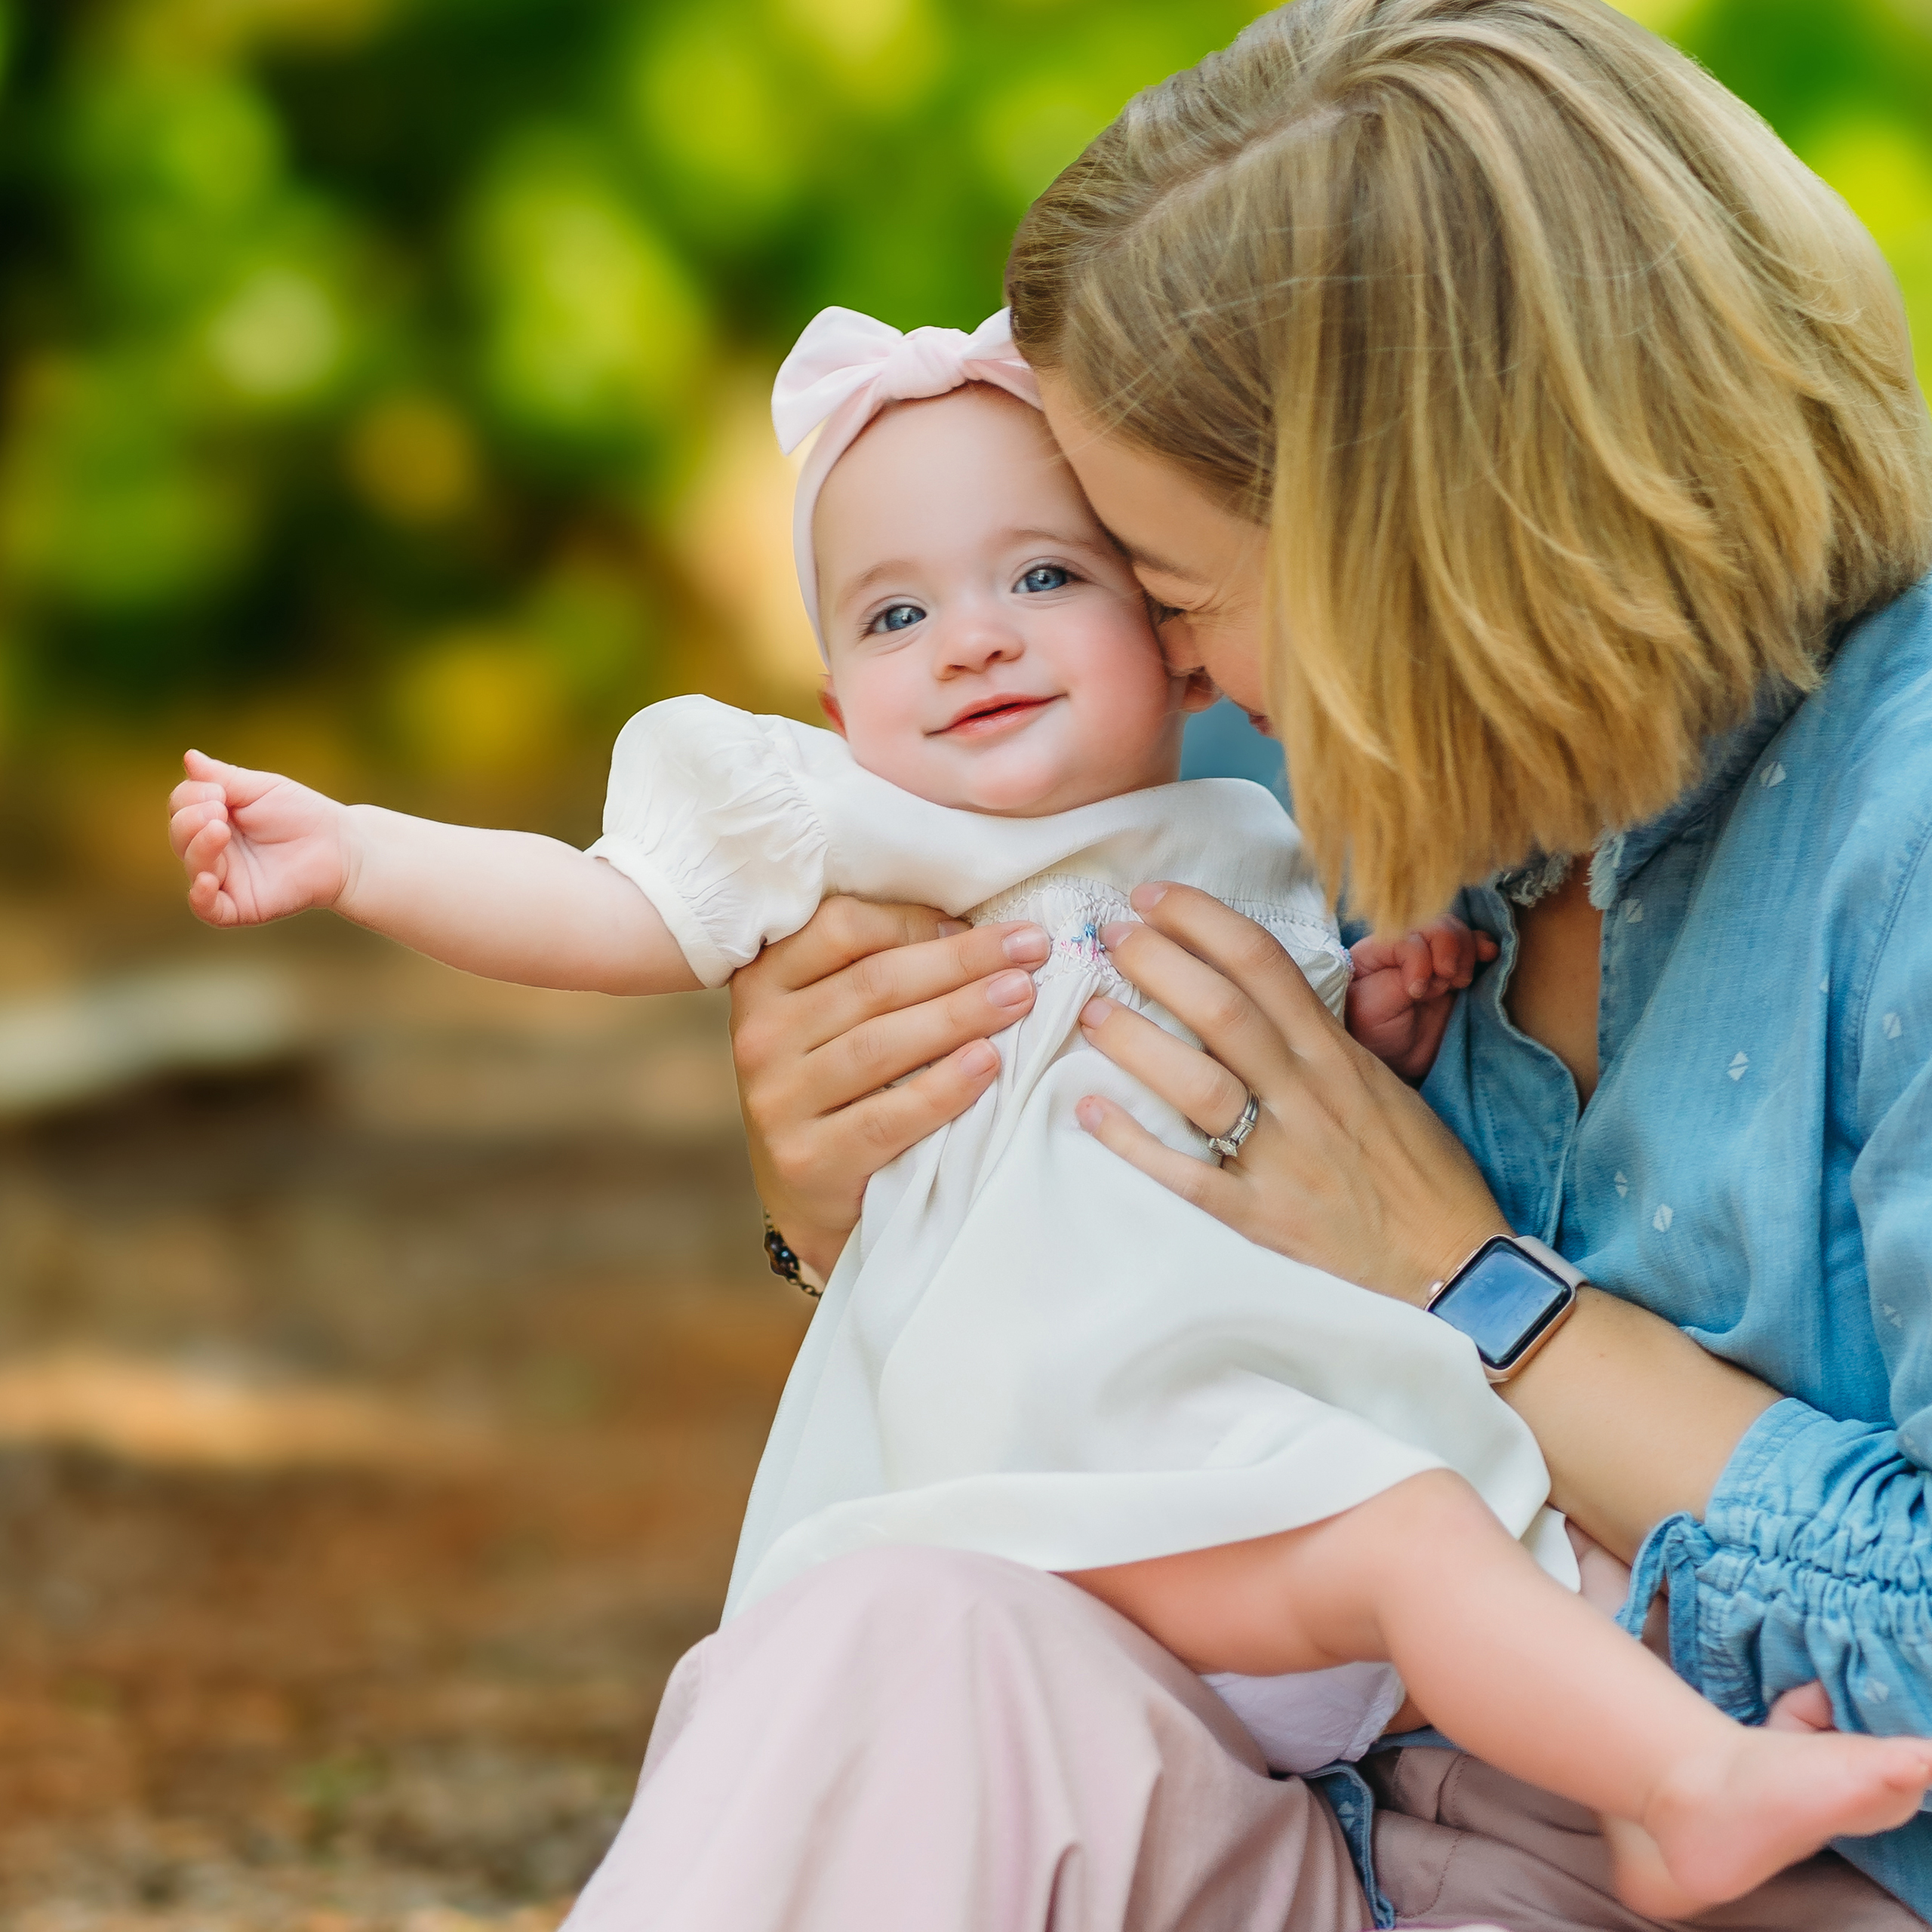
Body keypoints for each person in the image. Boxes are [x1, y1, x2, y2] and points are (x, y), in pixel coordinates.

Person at [168, 290, 1927, 1915]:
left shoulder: (1261, 829)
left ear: (1165, 636)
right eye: (896, 613)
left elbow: (1324, 1100)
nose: (974, 646)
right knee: (900, 1653)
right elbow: (598, 903)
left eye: (1054, 580)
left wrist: (1375, 1010)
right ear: (831, 694)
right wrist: (362, 852)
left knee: (1444, 1547)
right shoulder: (865, 828)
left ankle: (1662, 1777)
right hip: (1079, 1504)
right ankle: (1662, 1773)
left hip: (1271, 1503)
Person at [694, 2, 1932, 1928]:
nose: (1173, 679)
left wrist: (1471, 1285)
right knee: (884, 1641)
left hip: (1775, 1883)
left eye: (1173, 596)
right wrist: (847, 1195)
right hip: (1347, 1835)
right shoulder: (1372, 812)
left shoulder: (1899, 833)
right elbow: (1121, 1398)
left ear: (1427, 558)